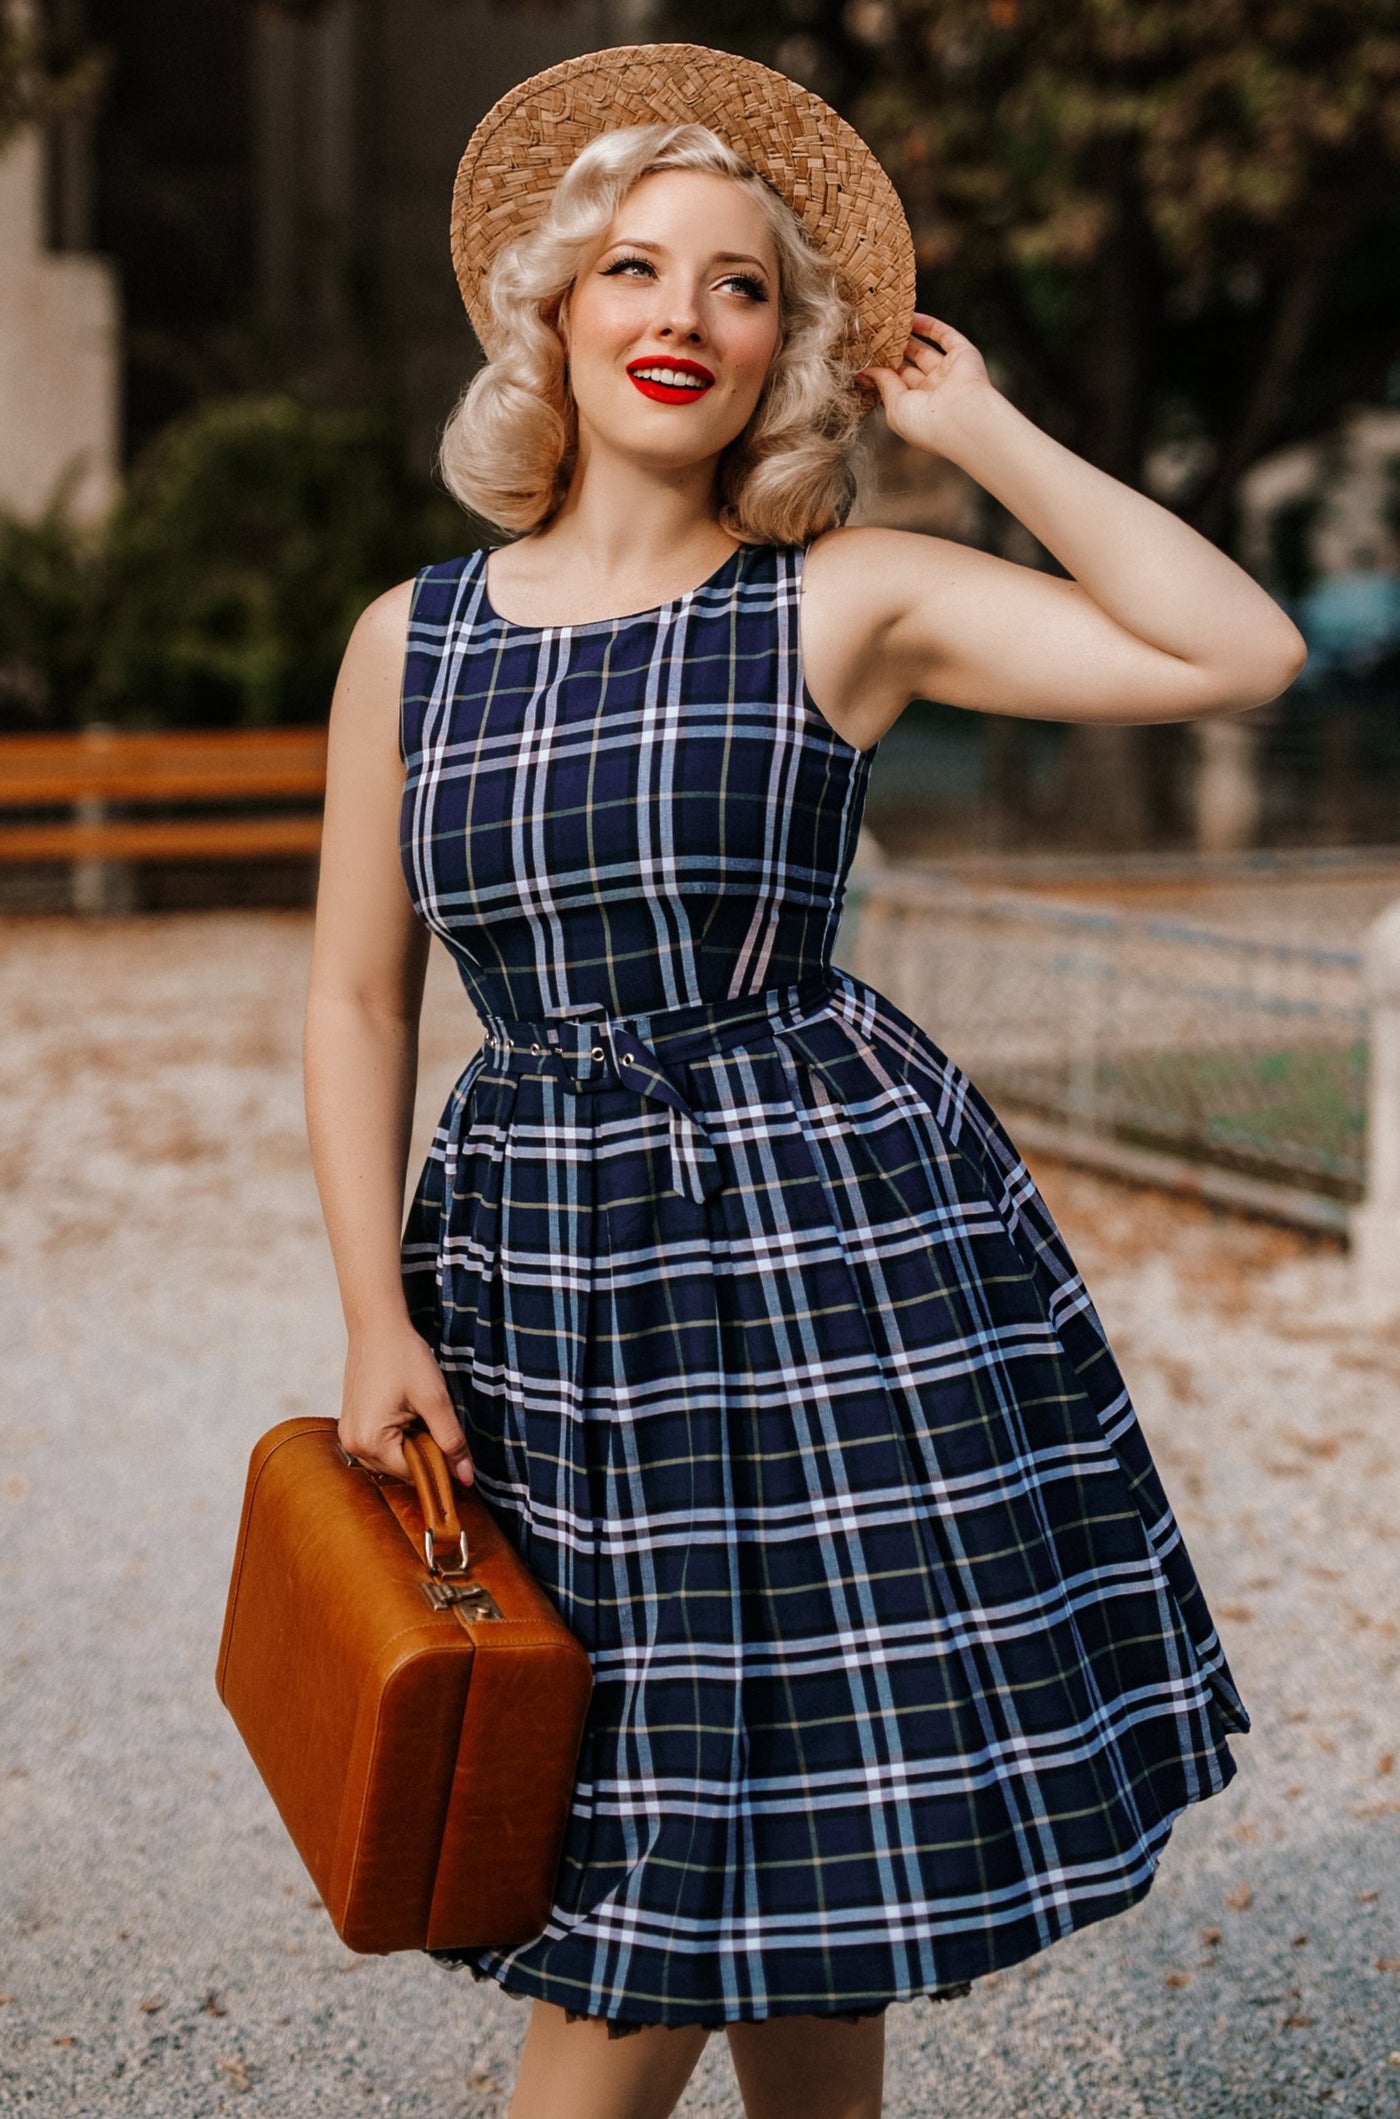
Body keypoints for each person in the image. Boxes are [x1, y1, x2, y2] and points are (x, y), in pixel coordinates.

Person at [303, 44, 1302, 2119]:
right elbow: (355, 1000)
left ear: (788, 349)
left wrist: (979, 426)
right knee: (680, 1808)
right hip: (541, 1269)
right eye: (636, 268)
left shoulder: (840, 599)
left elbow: (1238, 650)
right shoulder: (412, 640)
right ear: (554, 309)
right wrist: (372, 1316)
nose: (682, 313)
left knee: (765, 1822)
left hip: (825, 1250)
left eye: (739, 284)